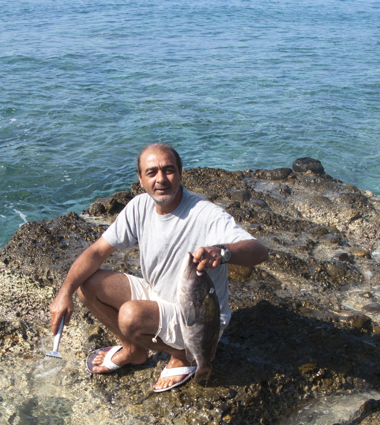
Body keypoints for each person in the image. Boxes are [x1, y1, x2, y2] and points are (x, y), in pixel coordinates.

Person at [49, 143, 269, 392]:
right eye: (152, 172)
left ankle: (185, 355)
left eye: (169, 170)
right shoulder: (139, 207)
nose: (161, 179)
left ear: (181, 173)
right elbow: (97, 251)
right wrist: (64, 292)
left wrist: (222, 252)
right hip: (157, 295)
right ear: (140, 179)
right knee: (86, 285)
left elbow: (259, 251)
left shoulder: (205, 214)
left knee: (131, 316)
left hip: (198, 318)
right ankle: (134, 349)